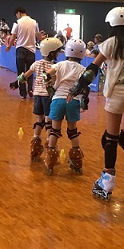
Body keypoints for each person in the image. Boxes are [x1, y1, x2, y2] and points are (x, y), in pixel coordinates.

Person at [68, 7, 124, 201]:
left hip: (116, 94)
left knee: (111, 138)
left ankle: (107, 180)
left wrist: (76, 88)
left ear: (112, 23)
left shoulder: (110, 43)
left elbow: (92, 69)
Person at [12, 37, 63, 161]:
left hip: (37, 95)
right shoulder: (55, 66)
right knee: (48, 121)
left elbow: (25, 76)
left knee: (39, 120)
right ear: (51, 52)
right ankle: (49, 146)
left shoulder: (36, 63)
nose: (58, 54)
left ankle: (35, 145)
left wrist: (15, 83)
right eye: (57, 51)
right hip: (48, 96)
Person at [44, 39, 89, 175]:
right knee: (72, 131)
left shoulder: (60, 64)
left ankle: (50, 160)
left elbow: (46, 74)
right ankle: (76, 161)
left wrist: (50, 88)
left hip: (58, 99)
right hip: (73, 100)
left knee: (55, 130)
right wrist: (84, 101)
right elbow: (85, 87)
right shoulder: (83, 69)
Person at [5, 7, 44, 99]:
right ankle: (30, 89)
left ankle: (23, 93)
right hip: (31, 50)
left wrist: (9, 46)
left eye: (16, 15)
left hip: (21, 49)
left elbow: (13, 36)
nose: (17, 17)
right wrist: (43, 39)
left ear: (19, 13)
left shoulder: (17, 23)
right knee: (30, 71)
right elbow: (38, 35)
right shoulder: (34, 22)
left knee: (21, 72)